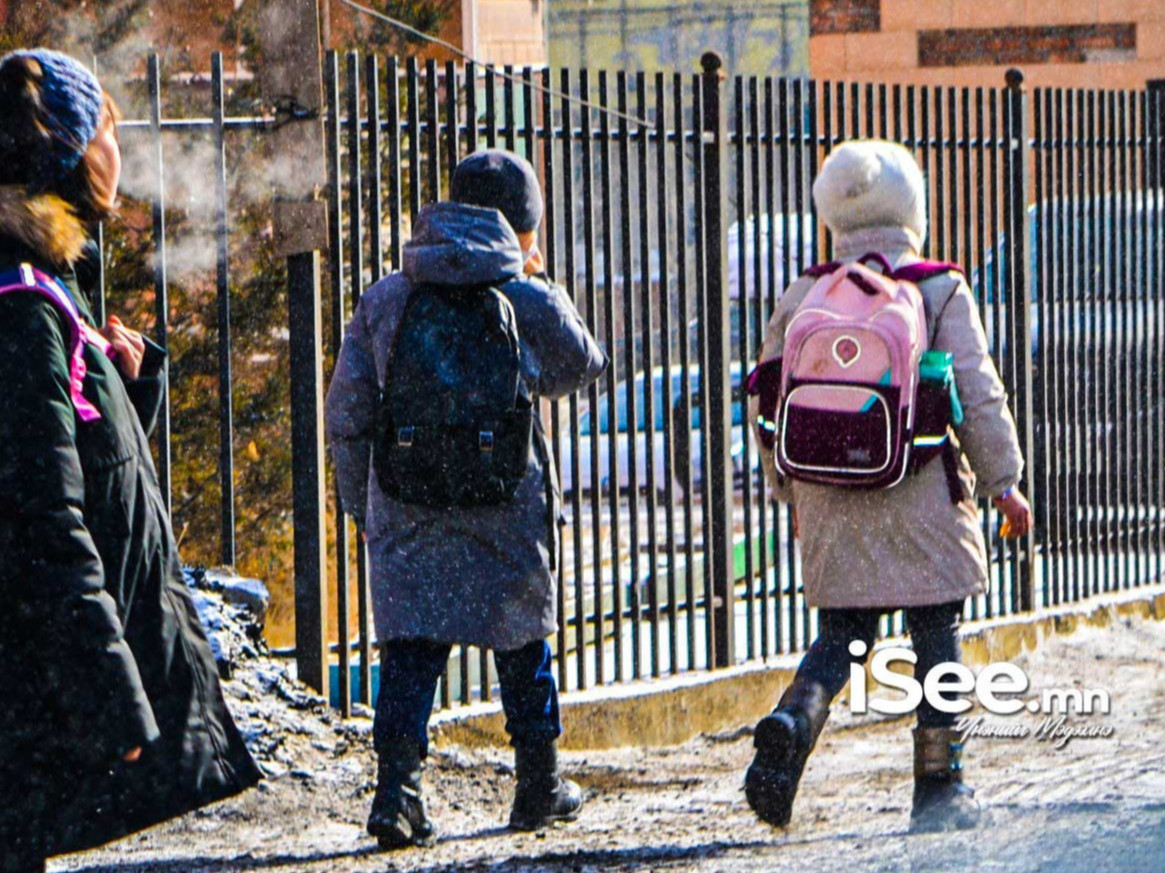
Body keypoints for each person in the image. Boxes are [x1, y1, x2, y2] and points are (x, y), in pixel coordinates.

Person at [0, 49, 261, 873]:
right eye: (109, 129)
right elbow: (44, 522)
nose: (120, 150)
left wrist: (125, 393)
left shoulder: (45, 293)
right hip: (29, 684)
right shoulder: (22, 309)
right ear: (68, 152)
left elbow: (75, 475)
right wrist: (112, 697)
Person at [744, 140, 1033, 834]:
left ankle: (791, 722)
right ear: (913, 209)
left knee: (841, 635)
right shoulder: (938, 288)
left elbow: (763, 396)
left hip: (830, 498)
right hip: (921, 492)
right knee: (936, 634)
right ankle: (939, 785)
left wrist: (789, 489)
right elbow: (977, 392)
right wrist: (1004, 482)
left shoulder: (805, 291)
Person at [326, 149, 607, 850]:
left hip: (407, 499)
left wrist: (364, 503)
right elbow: (582, 363)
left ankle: (397, 793)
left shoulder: (389, 296)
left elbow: (347, 410)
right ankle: (537, 784)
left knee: (411, 651)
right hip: (502, 496)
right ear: (524, 227)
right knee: (521, 645)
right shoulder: (522, 294)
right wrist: (538, 279)